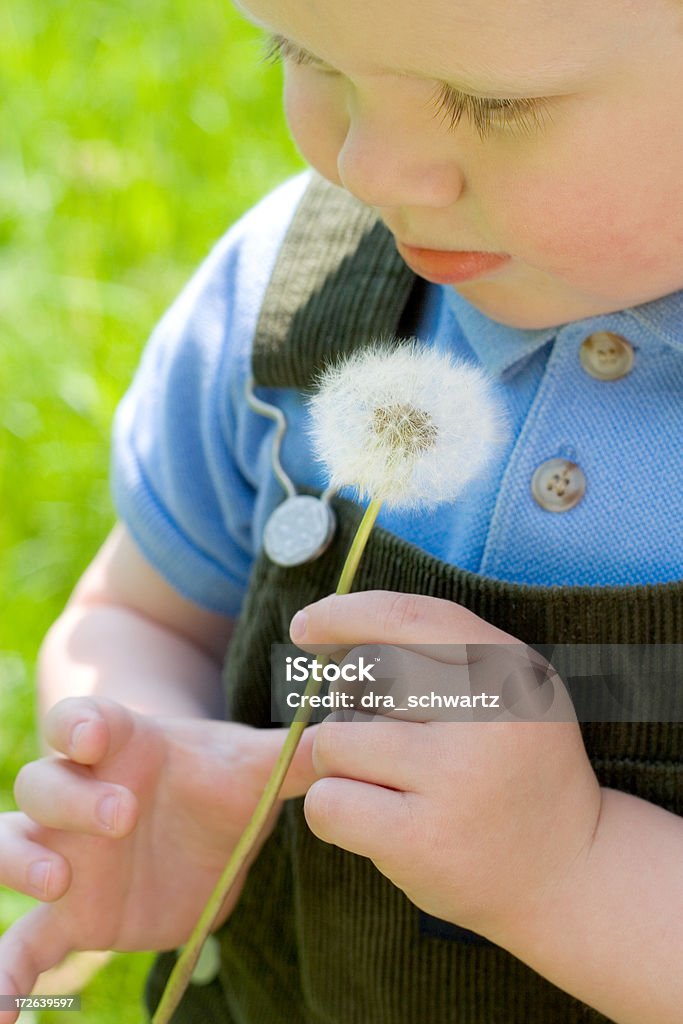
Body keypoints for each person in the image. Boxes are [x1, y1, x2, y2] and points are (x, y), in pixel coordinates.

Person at [1, 0, 682, 1020]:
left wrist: (572, 871)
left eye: (493, 104)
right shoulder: (295, 298)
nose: (370, 165)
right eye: (307, 55)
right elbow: (140, 613)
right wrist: (140, 759)